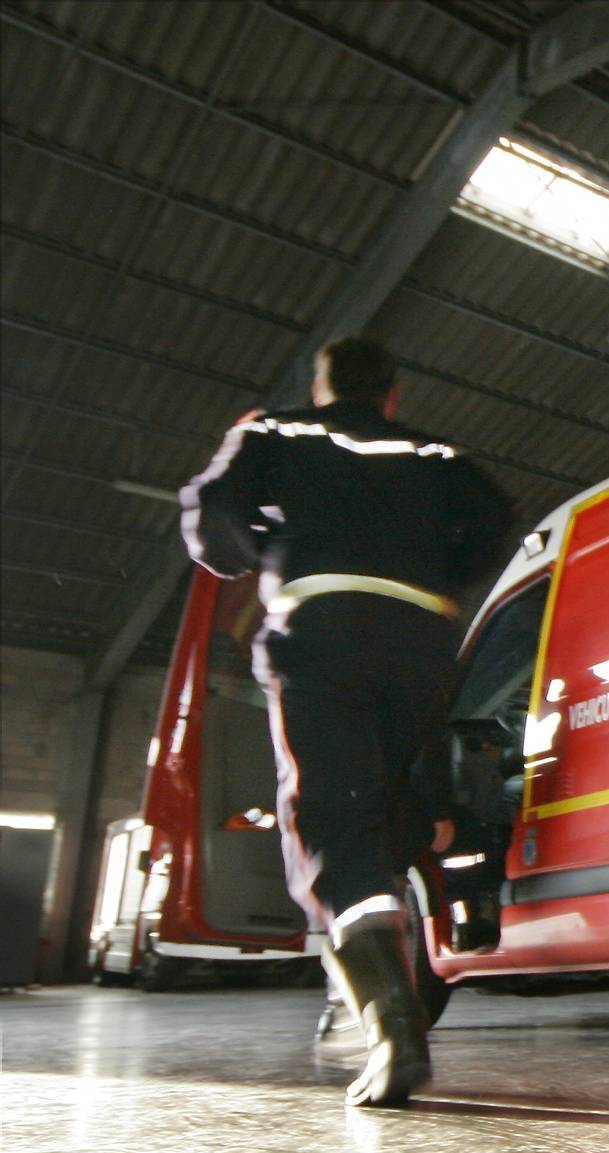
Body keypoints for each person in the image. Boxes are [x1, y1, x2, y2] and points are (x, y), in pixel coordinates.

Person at [180, 337, 512, 1107]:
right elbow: (495, 519)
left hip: (322, 627)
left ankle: (392, 1024)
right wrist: (433, 572)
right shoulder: (432, 451)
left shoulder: (276, 429)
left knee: (331, 817)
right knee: (391, 805)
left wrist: (266, 552)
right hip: (420, 637)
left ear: (321, 387)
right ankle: (390, 949)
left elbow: (213, 512)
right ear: (392, 395)